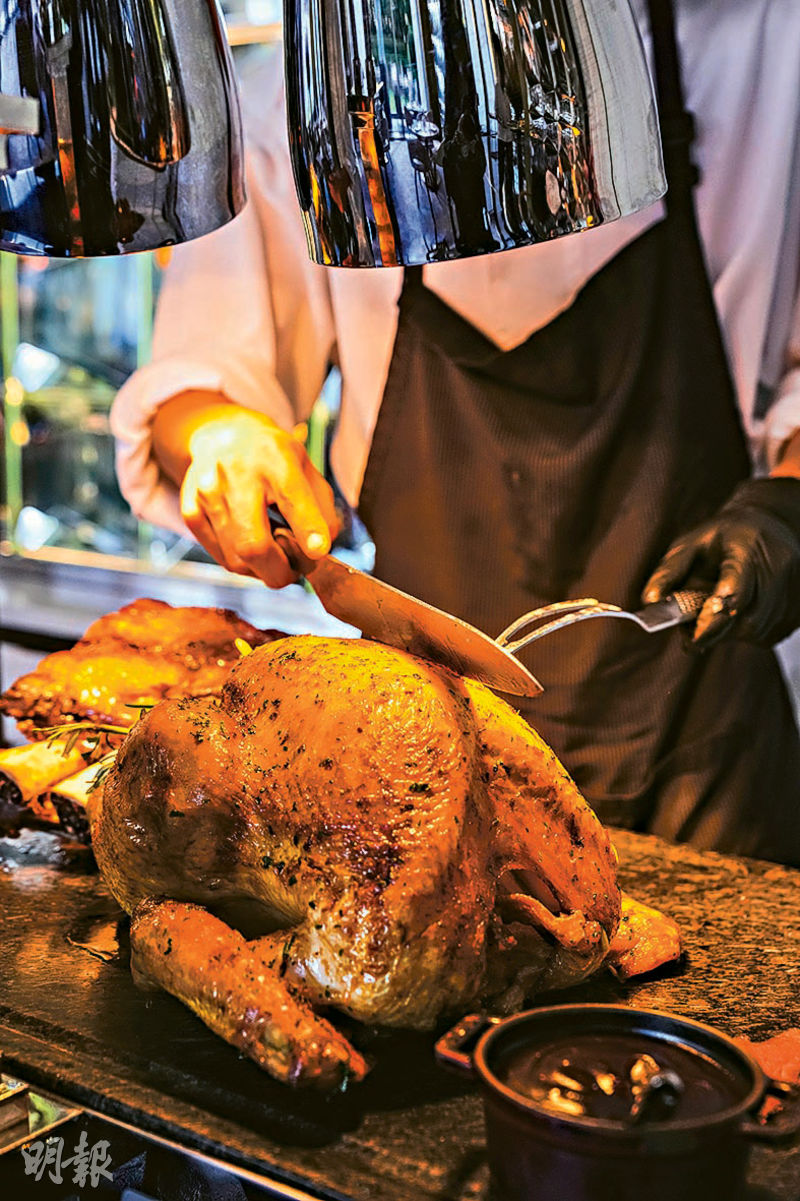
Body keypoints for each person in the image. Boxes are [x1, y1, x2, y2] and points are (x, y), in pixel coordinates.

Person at [112, 0, 800, 865]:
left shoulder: (757, 42)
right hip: (417, 783)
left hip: (706, 764)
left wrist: (787, 505)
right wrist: (220, 435)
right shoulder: (315, 89)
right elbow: (194, 384)